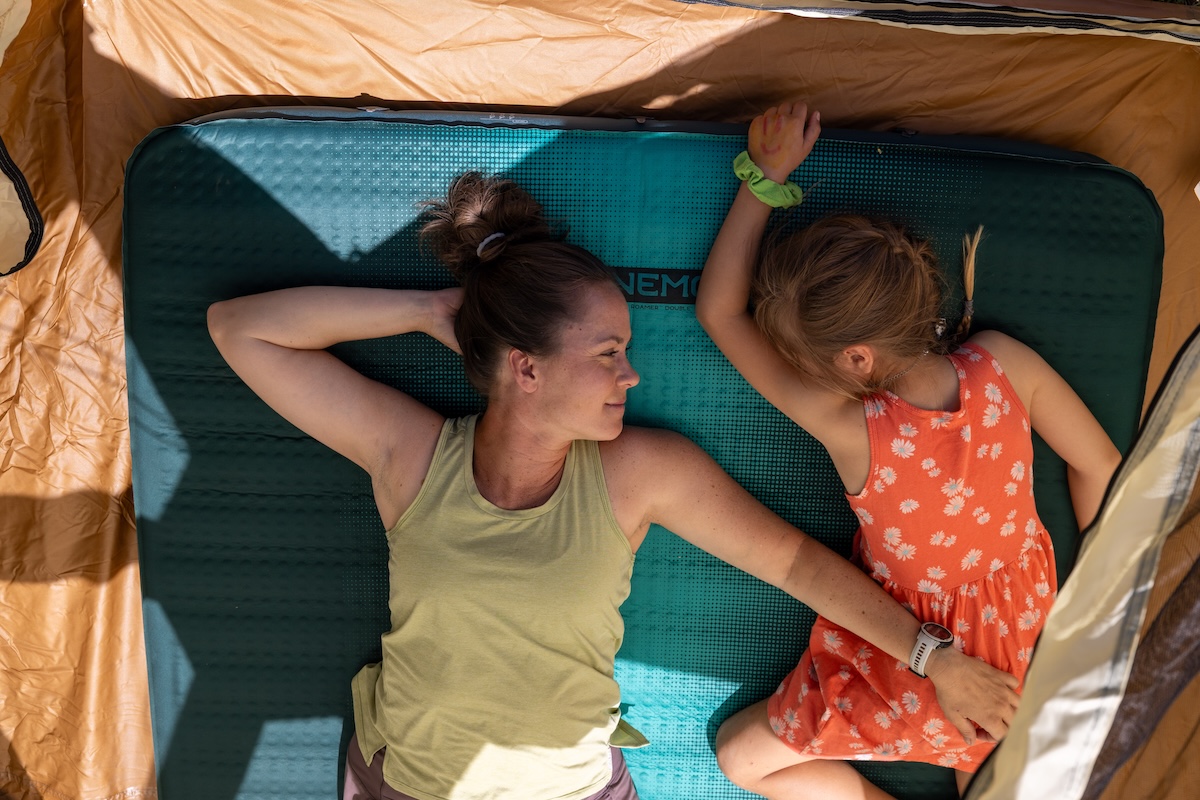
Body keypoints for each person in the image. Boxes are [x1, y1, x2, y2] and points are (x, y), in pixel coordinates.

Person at [207, 171, 1021, 800]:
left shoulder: (638, 472)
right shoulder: (412, 456)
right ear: (524, 368)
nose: (630, 375)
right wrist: (428, 310)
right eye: (606, 354)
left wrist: (933, 656)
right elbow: (242, 331)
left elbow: (796, 566)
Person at [696, 102, 1122, 799]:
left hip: (912, 651)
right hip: (1023, 632)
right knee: (984, 760)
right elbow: (1099, 467)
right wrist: (1088, 609)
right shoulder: (1005, 363)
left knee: (741, 759)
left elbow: (720, 312)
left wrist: (763, 180)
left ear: (857, 359)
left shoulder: (852, 425)